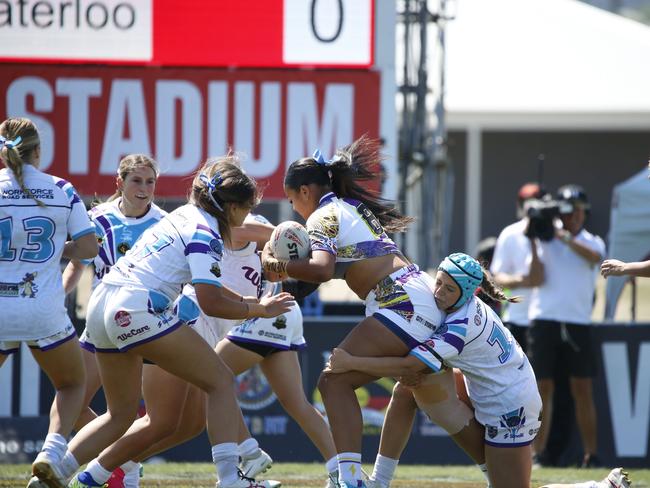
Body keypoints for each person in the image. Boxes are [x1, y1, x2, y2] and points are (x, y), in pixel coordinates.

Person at [34, 157, 294, 488]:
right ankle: (231, 479)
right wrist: (258, 311)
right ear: (229, 207)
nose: (246, 216)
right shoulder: (207, 234)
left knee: (121, 415)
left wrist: (251, 302)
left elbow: (208, 286)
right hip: (135, 308)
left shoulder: (185, 214)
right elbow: (210, 301)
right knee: (221, 382)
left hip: (102, 304)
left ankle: (55, 472)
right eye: (245, 208)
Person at [76, 213, 337, 488]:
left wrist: (293, 257)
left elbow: (234, 293)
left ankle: (110, 469)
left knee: (188, 424)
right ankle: (235, 469)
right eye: (278, 258)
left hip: (195, 337)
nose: (276, 266)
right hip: (175, 328)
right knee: (163, 418)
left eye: (285, 269)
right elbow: (237, 228)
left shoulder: (271, 286)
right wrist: (282, 234)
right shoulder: (243, 243)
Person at [262, 136, 458, 488]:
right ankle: (375, 481)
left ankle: (350, 481)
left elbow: (321, 269)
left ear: (305, 191)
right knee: (406, 394)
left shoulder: (324, 215)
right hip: (414, 298)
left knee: (333, 381)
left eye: (292, 201)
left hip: (400, 303)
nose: (295, 211)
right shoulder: (347, 206)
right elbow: (335, 270)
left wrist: (279, 266)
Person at [326, 253, 541, 488]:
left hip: (510, 407)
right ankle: (379, 482)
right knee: (406, 391)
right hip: (504, 387)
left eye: (450, 289)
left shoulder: (459, 328)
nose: (439, 292)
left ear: (467, 294)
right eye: (438, 282)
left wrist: (351, 362)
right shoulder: (464, 305)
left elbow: (409, 366)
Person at [0, 118, 98, 485]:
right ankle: (52, 451)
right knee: (72, 384)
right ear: (38, 151)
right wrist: (56, 248)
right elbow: (89, 248)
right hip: (41, 307)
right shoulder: (60, 189)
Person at [527, 185, 606, 468]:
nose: (572, 217)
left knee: (581, 388)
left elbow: (594, 258)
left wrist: (562, 236)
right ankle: (537, 453)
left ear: (585, 213)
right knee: (542, 386)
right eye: (567, 212)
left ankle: (590, 454)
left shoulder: (593, 241)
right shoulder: (546, 240)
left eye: (577, 212)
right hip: (544, 319)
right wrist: (534, 236)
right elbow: (534, 275)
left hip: (577, 322)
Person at [490, 182, 545, 353]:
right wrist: (522, 280)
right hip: (516, 319)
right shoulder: (510, 234)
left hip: (546, 319)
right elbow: (496, 276)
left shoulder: (555, 233)